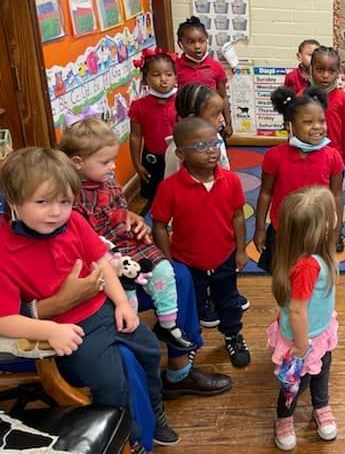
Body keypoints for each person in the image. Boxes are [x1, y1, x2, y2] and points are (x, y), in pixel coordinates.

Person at [0, 147, 174, 454]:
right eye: (42, 202)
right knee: (110, 384)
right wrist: (50, 330)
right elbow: (4, 319)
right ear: (13, 199)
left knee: (151, 351)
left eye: (65, 202)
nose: (55, 212)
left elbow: (101, 263)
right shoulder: (4, 248)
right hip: (70, 330)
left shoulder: (75, 222)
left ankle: (155, 409)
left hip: (103, 309)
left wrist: (122, 302)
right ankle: (132, 445)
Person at [58, 117, 194, 352]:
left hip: (127, 243)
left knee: (168, 270)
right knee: (127, 289)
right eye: (106, 162)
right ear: (77, 162)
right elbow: (83, 241)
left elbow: (117, 210)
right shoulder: (69, 198)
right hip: (103, 260)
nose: (113, 167)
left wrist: (132, 218)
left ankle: (170, 330)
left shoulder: (108, 184)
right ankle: (136, 334)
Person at [151, 117, 251, 368]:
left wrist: (241, 249)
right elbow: (160, 225)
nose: (211, 151)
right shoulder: (169, 188)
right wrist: (167, 261)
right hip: (186, 262)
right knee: (191, 306)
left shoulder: (231, 181)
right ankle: (192, 342)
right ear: (181, 154)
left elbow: (238, 215)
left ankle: (233, 336)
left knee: (228, 301)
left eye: (214, 143)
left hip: (225, 256)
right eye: (200, 146)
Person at [163, 83, 246, 328]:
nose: (221, 120)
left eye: (221, 113)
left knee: (222, 257)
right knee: (195, 268)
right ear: (192, 117)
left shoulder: (216, 140)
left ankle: (224, 296)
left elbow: (225, 171)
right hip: (191, 218)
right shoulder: (174, 152)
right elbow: (170, 185)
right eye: (214, 115)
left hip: (218, 207)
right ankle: (201, 304)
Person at [267, 186, 339, 451]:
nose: (336, 217)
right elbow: (297, 309)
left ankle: (321, 406)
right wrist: (299, 346)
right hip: (303, 340)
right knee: (294, 382)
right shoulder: (309, 266)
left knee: (322, 372)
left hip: (318, 333)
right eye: (331, 214)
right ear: (319, 228)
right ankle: (284, 419)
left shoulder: (313, 257)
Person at [253, 86, 344, 271]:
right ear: (290, 126)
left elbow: (336, 195)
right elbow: (265, 193)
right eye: (308, 122)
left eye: (321, 121)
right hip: (284, 231)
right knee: (284, 275)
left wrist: (336, 232)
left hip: (318, 232)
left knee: (313, 274)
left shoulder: (332, 156)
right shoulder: (274, 156)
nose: (318, 127)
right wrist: (260, 228)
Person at [308, 47, 345, 252]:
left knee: (334, 195)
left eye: (331, 70)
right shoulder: (304, 95)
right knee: (312, 195)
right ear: (310, 69)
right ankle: (311, 230)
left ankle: (336, 231)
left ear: (338, 72)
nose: (325, 75)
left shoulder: (341, 98)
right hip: (309, 156)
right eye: (320, 69)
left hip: (334, 158)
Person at [129, 47, 178, 201]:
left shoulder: (183, 100)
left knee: (179, 194)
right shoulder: (138, 106)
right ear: (146, 79)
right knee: (155, 198)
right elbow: (135, 137)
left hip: (179, 156)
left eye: (169, 74)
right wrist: (137, 164)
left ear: (176, 77)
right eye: (156, 75)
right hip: (153, 158)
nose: (163, 79)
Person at [174, 16, 233, 137]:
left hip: (212, 123)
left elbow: (223, 97)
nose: (197, 46)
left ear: (207, 40)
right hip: (187, 124)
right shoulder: (175, 67)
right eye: (191, 42)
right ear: (181, 44)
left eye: (202, 41)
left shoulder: (216, 67)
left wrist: (228, 123)